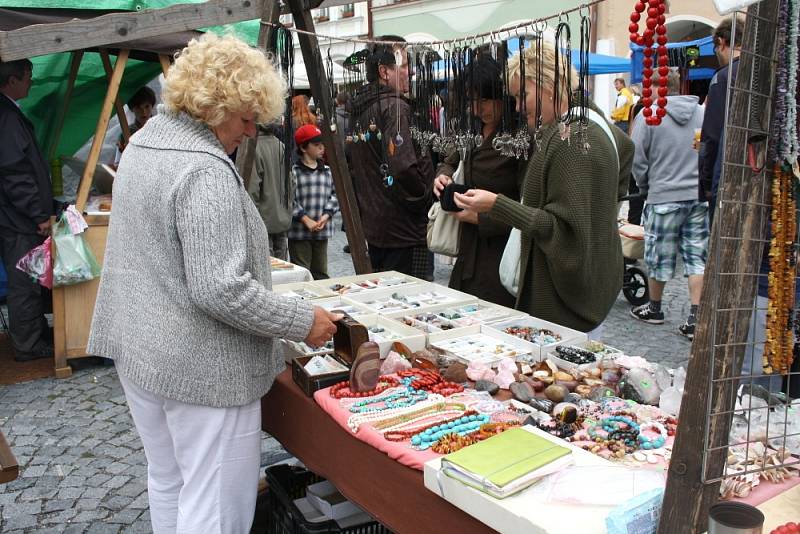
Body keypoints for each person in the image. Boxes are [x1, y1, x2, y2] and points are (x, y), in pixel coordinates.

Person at [86, 33, 340, 534]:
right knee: (216, 506)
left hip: (141, 349)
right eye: (245, 119)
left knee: (169, 481)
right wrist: (301, 320)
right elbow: (219, 289)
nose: (249, 132)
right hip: (199, 367)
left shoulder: (146, 142)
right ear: (213, 106)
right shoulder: (203, 169)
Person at [453, 41, 633, 335]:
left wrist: (497, 205)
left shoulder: (571, 139)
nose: (519, 107)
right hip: (588, 292)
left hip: (565, 308)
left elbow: (559, 228)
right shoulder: (593, 121)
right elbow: (626, 150)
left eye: (522, 95)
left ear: (547, 84)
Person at [433, 55, 520, 308]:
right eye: (471, 101)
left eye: (483, 100)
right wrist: (443, 174)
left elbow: (529, 205)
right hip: (467, 250)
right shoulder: (470, 128)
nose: (476, 108)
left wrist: (482, 218)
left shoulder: (519, 138)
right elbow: (450, 158)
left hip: (501, 255)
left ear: (502, 95)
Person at [629, 70, 707, 341]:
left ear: (656, 88)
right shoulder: (701, 113)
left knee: (658, 257)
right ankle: (696, 317)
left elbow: (637, 159)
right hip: (697, 196)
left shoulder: (649, 115)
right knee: (697, 258)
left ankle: (655, 308)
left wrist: (645, 187)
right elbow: (707, 150)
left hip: (663, 195)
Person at [349, 36, 435, 279]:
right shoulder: (395, 108)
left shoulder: (363, 108)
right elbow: (403, 167)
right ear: (384, 72)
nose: (411, 72)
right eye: (405, 66)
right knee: (410, 304)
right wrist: (423, 197)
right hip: (404, 231)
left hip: (380, 227)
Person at [0, 58, 55, 362]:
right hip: (17, 219)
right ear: (12, 81)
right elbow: (15, 173)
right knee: (24, 282)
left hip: (16, 216)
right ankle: (28, 344)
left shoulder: (8, 113)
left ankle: (33, 333)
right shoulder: (6, 117)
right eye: (27, 76)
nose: (31, 81)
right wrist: (37, 214)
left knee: (29, 279)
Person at [698, 15, 743, 225]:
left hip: (727, 178)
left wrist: (706, 183)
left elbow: (712, 136)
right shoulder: (766, 73)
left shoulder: (723, 78)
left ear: (722, 43)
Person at [289, 124, 338, 279]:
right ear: (303, 148)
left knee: (321, 271)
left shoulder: (327, 171)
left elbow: (335, 196)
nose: (321, 148)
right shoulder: (294, 172)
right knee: (302, 271)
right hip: (299, 231)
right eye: (316, 145)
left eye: (322, 144)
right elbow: (289, 199)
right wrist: (305, 219)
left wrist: (326, 216)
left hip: (321, 230)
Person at [249, 123, 292, 260]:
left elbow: (252, 189)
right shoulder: (281, 146)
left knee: (268, 270)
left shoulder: (254, 148)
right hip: (282, 217)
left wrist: (251, 221)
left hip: (262, 220)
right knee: (284, 271)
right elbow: (292, 182)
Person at [114, 85, 156, 165]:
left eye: (147, 106)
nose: (143, 112)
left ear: (152, 106)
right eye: (138, 107)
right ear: (132, 109)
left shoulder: (162, 128)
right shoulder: (126, 134)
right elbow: (117, 164)